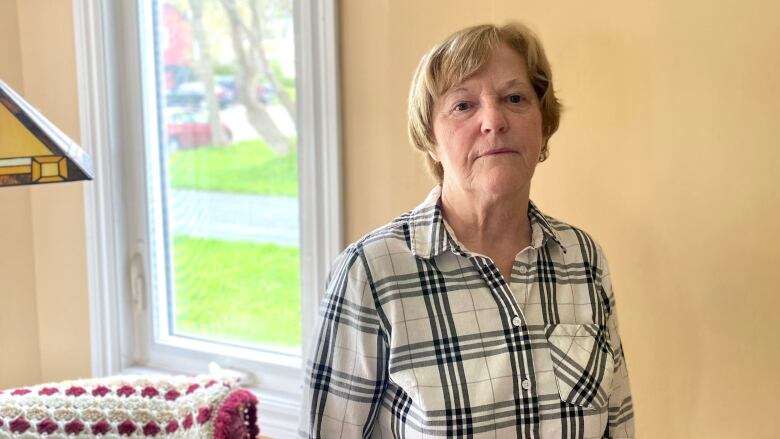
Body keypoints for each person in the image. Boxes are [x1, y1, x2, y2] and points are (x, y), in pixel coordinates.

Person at [300, 22, 634, 438]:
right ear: (431, 138)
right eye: (463, 106)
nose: (493, 120)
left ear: (543, 126)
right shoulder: (371, 273)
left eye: (515, 98)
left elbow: (618, 426)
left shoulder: (583, 260)